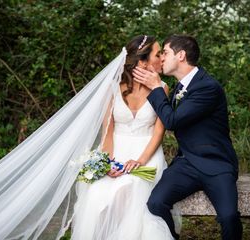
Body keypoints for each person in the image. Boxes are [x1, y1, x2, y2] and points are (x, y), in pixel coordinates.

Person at [133, 34, 243, 240]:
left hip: (216, 164)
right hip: (187, 164)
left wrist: (156, 87)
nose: (162, 58)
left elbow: (172, 121)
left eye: (165, 52)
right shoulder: (179, 87)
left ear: (181, 55)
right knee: (156, 203)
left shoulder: (207, 87)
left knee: (228, 217)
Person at [71, 35, 177, 240]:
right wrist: (107, 162)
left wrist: (140, 161)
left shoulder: (162, 87)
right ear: (142, 62)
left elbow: (158, 133)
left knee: (133, 187)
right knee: (97, 193)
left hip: (147, 153)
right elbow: (108, 132)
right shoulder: (113, 87)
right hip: (117, 149)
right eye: (158, 54)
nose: (162, 58)